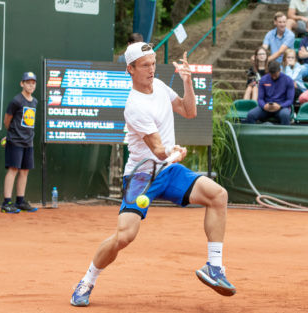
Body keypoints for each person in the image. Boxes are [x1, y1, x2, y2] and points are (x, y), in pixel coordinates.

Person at [70, 43, 236, 307]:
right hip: (141, 177)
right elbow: (159, 150)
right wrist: (175, 153)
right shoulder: (134, 106)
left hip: (168, 170)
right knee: (124, 237)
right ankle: (88, 279)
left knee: (218, 195)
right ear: (130, 69)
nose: (151, 69)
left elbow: (188, 111)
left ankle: (214, 267)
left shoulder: (158, 85)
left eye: (153, 63)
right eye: (145, 65)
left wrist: (187, 83)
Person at [1, 72, 39, 214]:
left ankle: (20, 201)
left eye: (33, 82)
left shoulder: (34, 102)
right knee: (13, 170)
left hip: (28, 142)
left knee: (24, 171)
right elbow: (7, 120)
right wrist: (11, 135)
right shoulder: (16, 101)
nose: (31, 85)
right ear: (21, 84)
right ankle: (6, 203)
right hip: (15, 141)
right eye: (28, 82)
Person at [246, 60, 295, 125]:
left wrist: (280, 106)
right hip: (266, 107)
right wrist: (264, 106)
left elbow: (290, 100)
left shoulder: (288, 80)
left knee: (285, 115)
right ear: (269, 72)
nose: (274, 77)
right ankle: (253, 134)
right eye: (272, 75)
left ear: (280, 70)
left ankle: (285, 134)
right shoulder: (263, 79)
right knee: (251, 115)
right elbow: (260, 99)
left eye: (275, 74)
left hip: (281, 107)